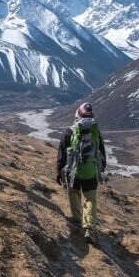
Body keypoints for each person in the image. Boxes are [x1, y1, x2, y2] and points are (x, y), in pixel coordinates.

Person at [56, 102, 106, 244]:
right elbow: (102, 152)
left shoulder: (69, 131)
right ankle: (89, 228)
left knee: (74, 193)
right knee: (90, 199)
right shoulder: (96, 132)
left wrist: (59, 172)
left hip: (74, 171)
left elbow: (61, 154)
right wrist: (100, 169)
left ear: (77, 114)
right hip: (91, 171)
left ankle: (77, 220)